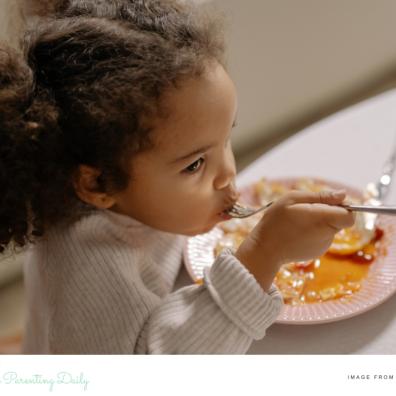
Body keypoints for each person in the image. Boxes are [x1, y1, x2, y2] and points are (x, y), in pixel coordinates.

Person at [0, 0, 354, 354]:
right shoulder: (87, 268)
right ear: (98, 184)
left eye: (226, 138)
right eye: (195, 164)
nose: (228, 173)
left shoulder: (136, 199)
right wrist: (264, 253)